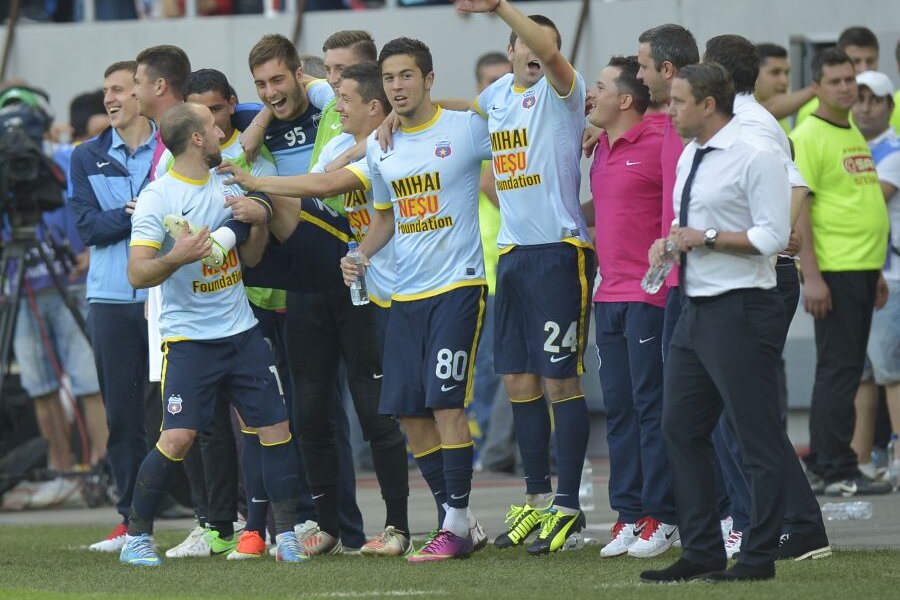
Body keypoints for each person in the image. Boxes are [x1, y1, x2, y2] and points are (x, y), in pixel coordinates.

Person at [220, 61, 414, 557]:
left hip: (373, 287)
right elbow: (319, 179)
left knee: (375, 412)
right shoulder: (338, 144)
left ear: (375, 106)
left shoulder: (394, 144)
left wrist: (255, 184)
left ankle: (397, 525)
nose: (337, 106)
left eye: (345, 98)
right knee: (307, 413)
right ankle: (326, 526)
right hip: (327, 280)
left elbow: (322, 188)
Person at [119, 102, 306, 566]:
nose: (222, 130)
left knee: (276, 429)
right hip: (189, 340)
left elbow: (253, 254)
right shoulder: (158, 198)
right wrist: (177, 256)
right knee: (178, 438)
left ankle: (287, 537)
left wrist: (255, 222)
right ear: (197, 139)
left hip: (241, 332)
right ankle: (137, 538)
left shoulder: (227, 179)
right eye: (212, 126)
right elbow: (137, 273)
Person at [341, 36, 490, 563]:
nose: (397, 86)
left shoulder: (464, 128)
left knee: (446, 403)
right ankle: (458, 519)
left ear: (428, 79)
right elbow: (385, 217)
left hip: (458, 287)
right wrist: (360, 253)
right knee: (408, 413)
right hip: (405, 294)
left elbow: (512, 123)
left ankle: (453, 526)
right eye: (389, 78)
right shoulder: (381, 147)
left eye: (407, 75)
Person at [640, 62, 791, 584]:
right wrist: (670, 243)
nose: (669, 109)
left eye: (678, 101)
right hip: (695, 307)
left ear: (708, 104)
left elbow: (773, 237)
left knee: (755, 437)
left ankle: (758, 555)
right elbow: (689, 226)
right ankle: (702, 549)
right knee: (680, 428)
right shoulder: (690, 154)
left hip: (742, 307)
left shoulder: (755, 154)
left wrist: (704, 238)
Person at [458, 0, 594, 556]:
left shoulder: (563, 92)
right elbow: (466, 114)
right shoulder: (495, 96)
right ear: (509, 51)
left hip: (559, 252)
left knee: (561, 380)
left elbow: (548, 52)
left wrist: (499, 7)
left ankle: (568, 505)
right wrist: (404, 115)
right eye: (527, 42)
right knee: (518, 379)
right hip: (512, 255)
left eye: (546, 43)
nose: (537, 50)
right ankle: (536, 498)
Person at [703, 34, 831, 563]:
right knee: (729, 411)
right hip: (742, 276)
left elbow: (796, 184)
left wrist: (775, 235)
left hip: (761, 278)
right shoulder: (737, 120)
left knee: (745, 411)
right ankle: (765, 519)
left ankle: (798, 524)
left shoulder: (752, 124)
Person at [580, 56, 677, 560]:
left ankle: (663, 513)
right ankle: (629, 512)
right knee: (618, 411)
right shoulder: (600, 146)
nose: (589, 94)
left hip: (648, 296)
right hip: (608, 296)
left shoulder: (660, 139)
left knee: (650, 408)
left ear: (624, 99)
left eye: (598, 86)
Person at [791, 48, 892, 497]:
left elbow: (858, 199)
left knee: (848, 369)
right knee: (839, 370)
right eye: (835, 81)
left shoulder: (848, 128)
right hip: (835, 270)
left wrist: (877, 270)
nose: (847, 88)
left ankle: (831, 462)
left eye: (850, 79)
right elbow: (801, 211)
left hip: (863, 267)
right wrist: (812, 276)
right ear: (816, 87)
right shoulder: (808, 135)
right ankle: (835, 467)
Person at [69, 60, 157, 552]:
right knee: (122, 417)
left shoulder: (169, 147)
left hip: (165, 297)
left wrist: (125, 216)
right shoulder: (87, 155)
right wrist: (137, 215)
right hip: (109, 301)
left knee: (183, 414)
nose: (110, 99)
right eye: (107, 90)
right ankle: (131, 522)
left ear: (142, 94)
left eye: (120, 89)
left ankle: (214, 517)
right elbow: (88, 228)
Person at [635, 24, 699, 357]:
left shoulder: (701, 124)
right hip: (674, 277)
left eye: (644, 66)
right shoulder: (674, 119)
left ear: (667, 69)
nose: (639, 76)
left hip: (700, 281)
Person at [849, 71, 900, 480]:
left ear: (889, 106)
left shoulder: (894, 151)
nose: (865, 107)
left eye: (875, 99)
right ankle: (860, 461)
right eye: (859, 98)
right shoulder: (852, 146)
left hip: (891, 275)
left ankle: (898, 460)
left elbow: (867, 201)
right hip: (859, 271)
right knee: (863, 375)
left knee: (891, 372)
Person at [469, 51, 512, 472]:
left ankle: (495, 448)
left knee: (506, 364)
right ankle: (486, 447)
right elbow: (487, 182)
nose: (498, 87)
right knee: (488, 367)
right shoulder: (483, 128)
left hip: (508, 264)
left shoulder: (513, 122)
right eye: (490, 81)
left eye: (505, 79)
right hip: (488, 268)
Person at [753, 43, 794, 134]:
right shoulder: (741, 115)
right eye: (775, 72)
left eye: (786, 73)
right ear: (753, 74)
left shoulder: (781, 120)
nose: (784, 81)